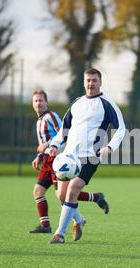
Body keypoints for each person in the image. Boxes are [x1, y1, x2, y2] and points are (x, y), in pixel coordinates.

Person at [47, 68, 126, 244]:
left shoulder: (107, 104)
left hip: (90, 156)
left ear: (100, 82)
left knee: (73, 189)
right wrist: (54, 145)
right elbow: (64, 129)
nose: (91, 83)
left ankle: (59, 234)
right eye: (88, 80)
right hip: (69, 156)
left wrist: (110, 147)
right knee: (62, 195)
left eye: (94, 80)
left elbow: (122, 128)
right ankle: (79, 220)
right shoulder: (76, 103)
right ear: (84, 82)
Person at [29, 90, 110, 234]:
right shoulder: (39, 121)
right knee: (38, 191)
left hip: (58, 160)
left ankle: (79, 218)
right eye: (36, 101)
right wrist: (39, 156)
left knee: (62, 195)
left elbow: (63, 132)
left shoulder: (51, 117)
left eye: (41, 100)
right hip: (47, 160)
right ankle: (46, 225)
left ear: (46, 103)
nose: (38, 103)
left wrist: (48, 145)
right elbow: (43, 144)